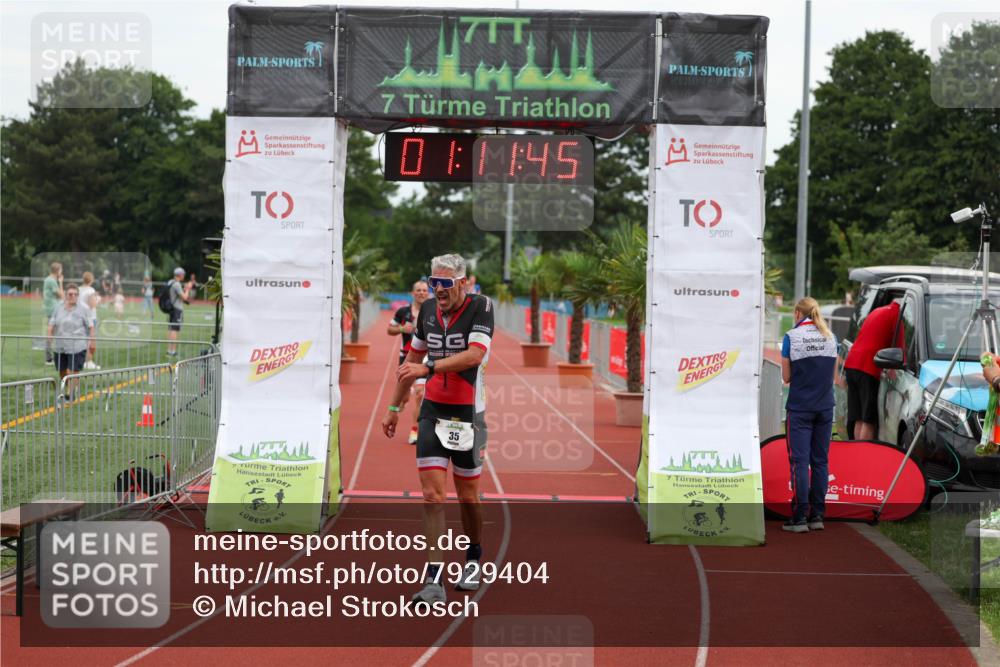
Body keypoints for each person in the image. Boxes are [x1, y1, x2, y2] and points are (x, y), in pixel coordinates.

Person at [381, 254, 493, 604]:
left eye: (445, 284)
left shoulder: (481, 307)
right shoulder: (428, 311)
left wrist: (429, 369)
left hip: (466, 413)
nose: (438, 290)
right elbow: (411, 363)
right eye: (433, 283)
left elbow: (474, 356)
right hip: (432, 411)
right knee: (431, 496)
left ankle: (473, 557)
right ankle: (433, 579)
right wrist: (394, 407)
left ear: (463, 283)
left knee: (468, 497)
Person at [781, 297, 838, 533]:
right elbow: (832, 376)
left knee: (800, 462)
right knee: (821, 461)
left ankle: (799, 517)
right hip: (825, 407)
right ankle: (817, 515)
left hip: (800, 408)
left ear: (797, 313)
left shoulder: (791, 337)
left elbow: (786, 377)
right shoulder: (830, 337)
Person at [844, 299, 902, 440]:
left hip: (852, 363)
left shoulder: (877, 311)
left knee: (858, 418)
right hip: (867, 368)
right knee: (868, 421)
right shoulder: (897, 315)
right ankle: (865, 457)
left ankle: (856, 457)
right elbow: (901, 348)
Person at [387, 280, 431, 444]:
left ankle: (414, 431)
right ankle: (401, 403)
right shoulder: (403, 312)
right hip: (406, 357)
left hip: (425, 358)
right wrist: (401, 329)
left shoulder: (434, 312)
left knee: (420, 393)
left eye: (425, 291)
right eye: (418, 290)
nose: (421, 293)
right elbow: (389, 329)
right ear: (413, 293)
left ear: (429, 293)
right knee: (404, 397)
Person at [48, 284, 95, 400]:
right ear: (65, 294)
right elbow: (52, 323)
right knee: (62, 370)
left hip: (78, 345)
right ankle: (70, 386)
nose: (73, 296)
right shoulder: (58, 307)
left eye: (75, 294)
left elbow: (91, 326)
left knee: (74, 370)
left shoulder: (84, 308)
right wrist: (49, 337)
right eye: (70, 294)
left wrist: (92, 342)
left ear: (78, 295)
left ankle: (71, 393)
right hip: (60, 345)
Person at [166, 267, 194, 356]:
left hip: (171, 308)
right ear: (181, 275)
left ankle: (169, 350)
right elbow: (185, 297)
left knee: (170, 329)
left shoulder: (170, 282)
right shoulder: (177, 284)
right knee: (175, 330)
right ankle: (173, 351)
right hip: (177, 309)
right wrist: (188, 289)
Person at [41, 262, 64, 365]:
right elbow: (61, 295)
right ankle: (50, 358)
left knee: (52, 332)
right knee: (53, 333)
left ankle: (50, 357)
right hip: (54, 309)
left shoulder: (48, 279)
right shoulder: (52, 281)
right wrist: (61, 282)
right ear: (58, 270)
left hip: (50, 308)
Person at [77, 272, 101, 370]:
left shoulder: (78, 289)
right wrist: (98, 300)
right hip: (90, 317)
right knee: (90, 340)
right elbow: (92, 304)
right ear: (91, 280)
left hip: (80, 316)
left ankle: (81, 360)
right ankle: (89, 361)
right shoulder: (91, 290)